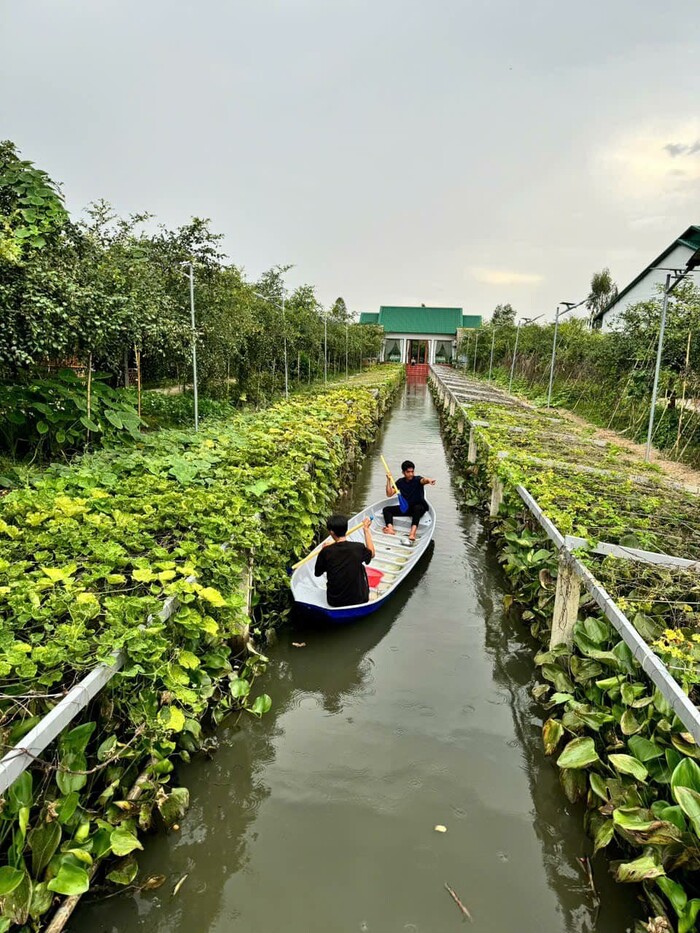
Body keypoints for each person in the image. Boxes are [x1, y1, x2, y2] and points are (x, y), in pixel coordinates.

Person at [314, 515, 375, 607]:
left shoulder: (326, 551)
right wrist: (366, 529)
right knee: (360, 565)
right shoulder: (358, 547)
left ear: (331, 532)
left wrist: (325, 551)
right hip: (360, 599)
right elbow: (372, 553)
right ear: (346, 529)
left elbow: (317, 573)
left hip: (334, 601)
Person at [383, 459, 436, 542]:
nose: (411, 474)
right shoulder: (400, 482)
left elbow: (423, 480)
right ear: (403, 472)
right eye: (408, 472)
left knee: (417, 508)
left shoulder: (417, 479)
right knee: (386, 510)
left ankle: (412, 533)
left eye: (412, 471)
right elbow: (389, 494)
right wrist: (389, 480)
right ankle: (390, 529)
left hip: (420, 507)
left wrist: (429, 480)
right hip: (407, 507)